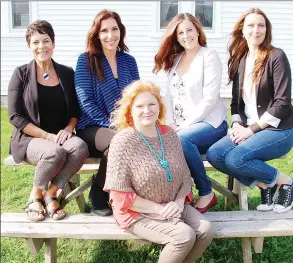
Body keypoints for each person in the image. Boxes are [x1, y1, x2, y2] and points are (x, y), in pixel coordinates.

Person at [104, 81, 214, 263]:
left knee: (205, 229)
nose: (147, 110)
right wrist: (157, 208)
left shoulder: (169, 134)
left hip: (173, 203)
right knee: (183, 235)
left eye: (152, 104)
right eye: (140, 106)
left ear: (160, 107)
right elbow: (120, 194)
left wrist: (176, 202)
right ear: (130, 111)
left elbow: (184, 174)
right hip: (137, 211)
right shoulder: (122, 141)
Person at [206, 8, 293, 213]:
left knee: (236, 159)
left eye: (261, 25)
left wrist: (252, 130)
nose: (256, 30)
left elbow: (282, 103)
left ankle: (285, 182)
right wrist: (238, 124)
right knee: (215, 154)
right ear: (242, 30)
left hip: (279, 131)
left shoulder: (276, 56)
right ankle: (264, 185)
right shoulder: (241, 60)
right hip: (250, 128)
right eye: (251, 25)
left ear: (267, 30)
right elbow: (236, 104)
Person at [7, 20, 89, 222]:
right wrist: (47, 136)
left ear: (53, 43)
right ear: (29, 46)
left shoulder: (67, 73)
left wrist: (70, 128)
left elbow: (76, 110)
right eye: (36, 42)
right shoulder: (21, 74)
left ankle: (52, 192)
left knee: (79, 147)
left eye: (46, 41)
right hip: (30, 138)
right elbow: (14, 115)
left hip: (60, 135)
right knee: (54, 152)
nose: (41, 46)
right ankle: (35, 195)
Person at [153, 13, 228, 214]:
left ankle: (206, 192)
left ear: (197, 31)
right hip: (180, 125)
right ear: (175, 37)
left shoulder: (209, 56)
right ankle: (175, 195)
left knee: (182, 140)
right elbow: (167, 97)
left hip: (211, 123)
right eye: (180, 32)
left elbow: (209, 99)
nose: (186, 35)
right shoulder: (176, 60)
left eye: (189, 30)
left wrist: (184, 126)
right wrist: (169, 124)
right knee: (161, 141)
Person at [75, 9, 140, 216]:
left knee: (134, 143)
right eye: (104, 31)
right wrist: (114, 125)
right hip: (92, 126)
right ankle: (99, 193)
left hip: (124, 125)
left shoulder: (129, 61)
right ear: (96, 34)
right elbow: (85, 102)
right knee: (119, 143)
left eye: (114, 29)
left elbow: (137, 96)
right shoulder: (86, 60)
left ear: (121, 32)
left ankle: (128, 195)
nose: (110, 35)